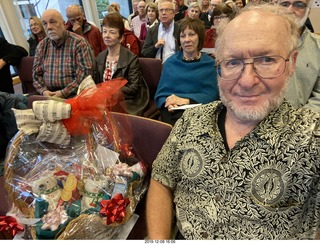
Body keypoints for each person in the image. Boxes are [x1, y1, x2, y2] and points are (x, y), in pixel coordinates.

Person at [146, 4, 320, 240]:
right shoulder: (192, 120)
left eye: (266, 59)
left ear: (291, 63)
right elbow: (161, 179)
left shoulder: (311, 138)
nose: (247, 81)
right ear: (218, 66)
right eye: (233, 62)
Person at [154, 18, 219, 126]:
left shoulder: (210, 64)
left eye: (192, 34)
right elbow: (161, 94)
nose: (187, 40)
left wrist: (186, 100)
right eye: (183, 36)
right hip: (172, 111)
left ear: (200, 37)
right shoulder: (170, 63)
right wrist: (168, 103)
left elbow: (213, 95)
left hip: (200, 110)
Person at [96, 12, 149, 116]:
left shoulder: (131, 58)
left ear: (121, 38)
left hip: (125, 101)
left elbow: (133, 88)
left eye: (112, 32)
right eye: (105, 31)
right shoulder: (99, 57)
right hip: (104, 100)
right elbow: (96, 83)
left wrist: (111, 91)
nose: (107, 35)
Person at [33, 9, 95, 98]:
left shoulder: (79, 43)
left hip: (76, 95)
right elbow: (36, 75)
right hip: (48, 95)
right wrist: (43, 91)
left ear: (64, 24)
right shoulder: (42, 45)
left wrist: (63, 93)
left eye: (53, 22)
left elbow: (85, 75)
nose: (49, 27)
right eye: (45, 24)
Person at [278, 0, 320, 111]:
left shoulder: (318, 47)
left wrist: (298, 122)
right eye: (285, 4)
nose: (290, 10)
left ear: (308, 10)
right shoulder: (258, 43)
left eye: (299, 5)